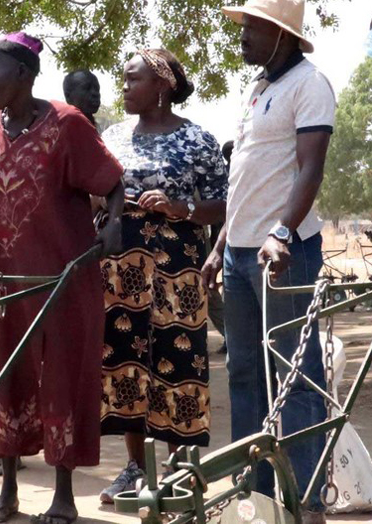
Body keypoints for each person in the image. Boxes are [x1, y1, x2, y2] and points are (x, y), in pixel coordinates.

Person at [0, 32, 125, 524]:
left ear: (24, 73)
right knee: (2, 374)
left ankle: (63, 496)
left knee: (60, 376)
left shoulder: (68, 123)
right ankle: (8, 490)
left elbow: (113, 182)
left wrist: (113, 224)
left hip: (59, 279)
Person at [203, 2, 336, 522]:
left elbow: (310, 168)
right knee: (244, 374)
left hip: (284, 253)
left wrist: (281, 232)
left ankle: (305, 501)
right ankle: (254, 498)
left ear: (282, 34)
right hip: (238, 255)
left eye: (253, 28)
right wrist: (219, 246)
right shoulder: (257, 88)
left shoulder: (310, 84)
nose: (243, 37)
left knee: (295, 375)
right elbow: (246, 178)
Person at [98, 48, 228, 503]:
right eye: (124, 78)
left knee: (179, 359)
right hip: (121, 269)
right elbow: (97, 192)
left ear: (162, 85)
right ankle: (134, 468)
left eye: (134, 79)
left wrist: (180, 207)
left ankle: (178, 470)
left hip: (178, 267)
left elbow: (224, 204)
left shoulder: (198, 139)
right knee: (125, 362)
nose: (125, 87)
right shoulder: (113, 136)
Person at [206, 141, 235, 356]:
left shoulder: (229, 173)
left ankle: (233, 336)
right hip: (220, 240)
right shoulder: (226, 173)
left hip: (222, 241)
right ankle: (232, 336)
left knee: (212, 291)